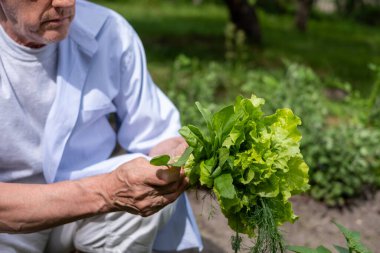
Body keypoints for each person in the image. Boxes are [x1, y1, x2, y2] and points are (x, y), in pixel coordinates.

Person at [0, 0, 203, 252]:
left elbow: (156, 133)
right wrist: (107, 191)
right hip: (8, 225)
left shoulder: (109, 30)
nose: (66, 2)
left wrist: (179, 156)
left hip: (83, 209)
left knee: (148, 180)